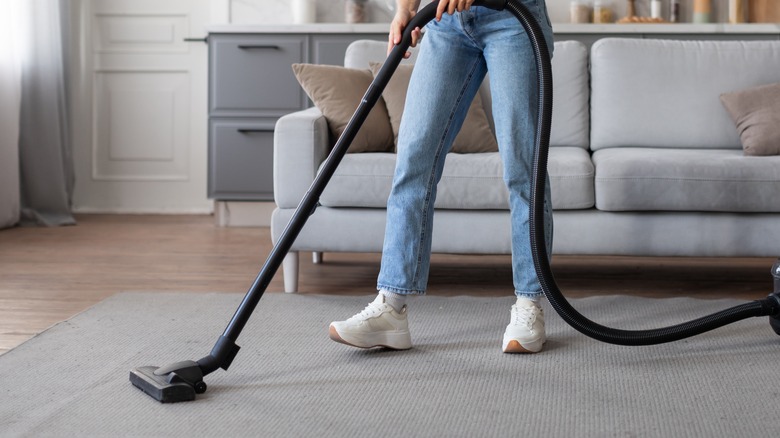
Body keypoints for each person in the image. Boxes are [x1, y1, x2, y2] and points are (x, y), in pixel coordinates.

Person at [329, 0, 555, 353]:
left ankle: (530, 304)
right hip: (446, 24)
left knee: (523, 167)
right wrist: (405, 8)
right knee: (414, 159)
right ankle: (391, 306)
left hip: (513, 18)